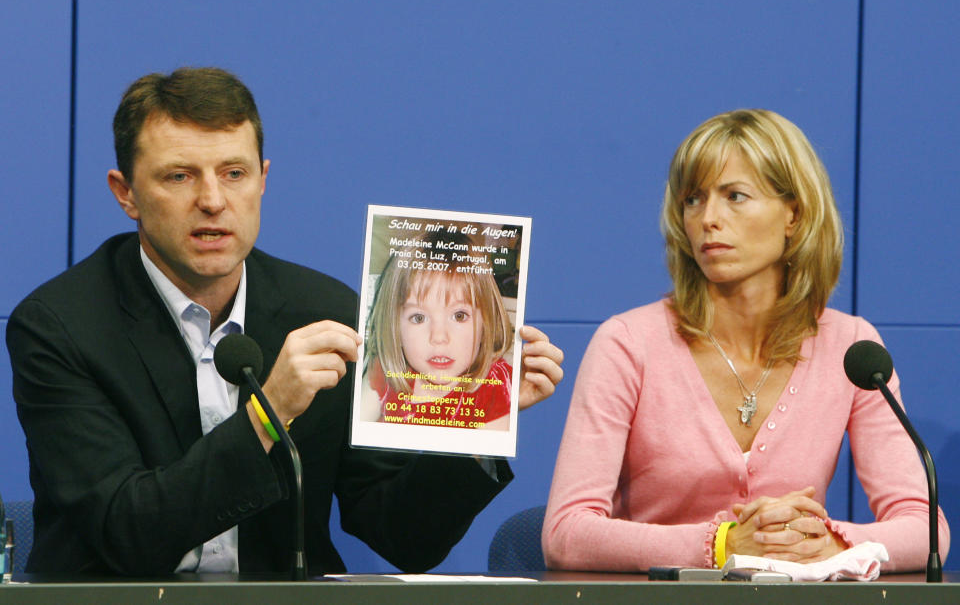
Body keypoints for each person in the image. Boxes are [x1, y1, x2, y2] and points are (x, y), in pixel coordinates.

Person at [6, 67, 564, 575]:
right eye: (178, 177)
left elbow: (402, 537)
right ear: (125, 193)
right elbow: (126, 532)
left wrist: (475, 426)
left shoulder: (322, 310)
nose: (212, 200)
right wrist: (267, 416)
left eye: (234, 173)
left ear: (263, 178)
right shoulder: (59, 327)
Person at [542, 109, 949, 573]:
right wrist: (724, 544)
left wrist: (832, 541)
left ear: (793, 215)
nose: (709, 219)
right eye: (693, 199)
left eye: (735, 196)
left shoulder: (852, 347)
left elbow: (925, 527)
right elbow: (567, 532)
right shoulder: (629, 343)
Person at [364, 229, 514, 430]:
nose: (439, 337)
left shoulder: (497, 385)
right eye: (418, 318)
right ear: (394, 328)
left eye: (459, 316)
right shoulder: (385, 372)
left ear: (486, 322)